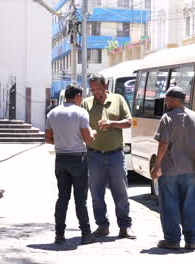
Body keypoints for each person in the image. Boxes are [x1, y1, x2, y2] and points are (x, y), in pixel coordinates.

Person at [81, 74, 136, 239]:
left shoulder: (118, 99)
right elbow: (81, 127)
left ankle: (125, 226)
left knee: (121, 193)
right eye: (92, 89)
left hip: (115, 155)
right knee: (96, 194)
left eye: (98, 88)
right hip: (94, 155)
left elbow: (128, 122)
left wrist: (111, 123)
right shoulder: (86, 103)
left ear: (105, 86)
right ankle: (102, 225)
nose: (95, 92)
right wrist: (90, 133)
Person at [151, 86, 195, 250]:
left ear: (175, 100)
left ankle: (173, 240)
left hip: (170, 170)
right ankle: (192, 240)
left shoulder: (167, 118)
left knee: (169, 205)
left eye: (168, 99)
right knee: (190, 205)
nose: (166, 102)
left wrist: (157, 165)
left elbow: (163, 144)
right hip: (190, 170)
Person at [45, 84, 96, 245]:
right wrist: (93, 133)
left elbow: (48, 138)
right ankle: (86, 234)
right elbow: (88, 139)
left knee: (62, 198)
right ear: (78, 96)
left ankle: (59, 234)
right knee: (80, 200)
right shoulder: (81, 112)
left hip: (61, 158)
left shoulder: (53, 113)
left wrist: (61, 142)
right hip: (78, 159)